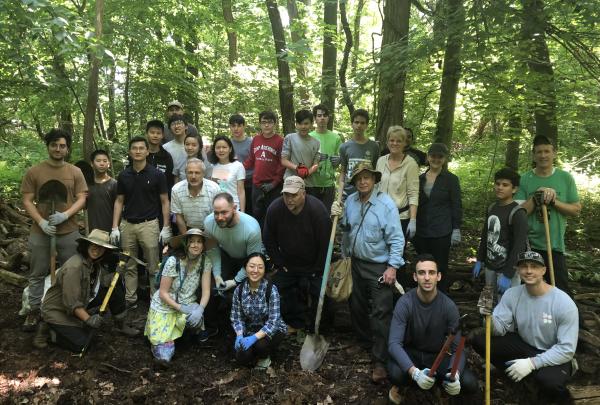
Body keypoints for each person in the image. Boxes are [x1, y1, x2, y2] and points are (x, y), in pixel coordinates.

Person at [473, 251, 579, 403]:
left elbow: (566, 349)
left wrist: (531, 363)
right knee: (480, 340)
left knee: (550, 383)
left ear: (543, 271)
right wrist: (487, 317)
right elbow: (499, 329)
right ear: (517, 270)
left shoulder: (563, 303)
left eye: (534, 267)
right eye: (524, 266)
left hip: (555, 354)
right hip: (526, 346)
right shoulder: (512, 294)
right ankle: (517, 372)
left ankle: (535, 374)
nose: (529, 271)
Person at [331, 162, 404, 383]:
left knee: (381, 312)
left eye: (367, 178)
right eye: (359, 178)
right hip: (354, 263)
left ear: (374, 180)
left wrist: (392, 266)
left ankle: (381, 359)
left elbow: (397, 238)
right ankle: (363, 342)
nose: (363, 181)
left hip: (379, 266)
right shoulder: (351, 202)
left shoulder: (386, 205)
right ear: (354, 182)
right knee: (356, 305)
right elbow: (344, 227)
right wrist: (336, 213)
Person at [21, 128, 88, 331]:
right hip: (41, 233)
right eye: (54, 145)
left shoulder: (75, 172)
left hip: (69, 231)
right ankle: (34, 312)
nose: (58, 149)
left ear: (67, 149)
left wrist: (65, 215)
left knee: (74, 272)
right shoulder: (35, 171)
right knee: (37, 273)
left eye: (62, 146)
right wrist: (41, 221)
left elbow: (83, 197)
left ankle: (72, 309)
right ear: (48, 146)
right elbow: (27, 199)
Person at [387, 254, 477, 404]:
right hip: (412, 354)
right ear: (415, 277)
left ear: (439, 276)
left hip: (438, 356)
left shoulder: (448, 306)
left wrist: (455, 374)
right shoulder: (405, 303)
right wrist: (414, 372)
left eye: (431, 272)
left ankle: (440, 385)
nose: (427, 277)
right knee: (396, 373)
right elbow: (393, 344)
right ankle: (409, 385)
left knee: (469, 383)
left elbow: (457, 349)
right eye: (422, 273)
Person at [35, 230, 138, 352]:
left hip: (82, 300)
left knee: (114, 285)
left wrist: (115, 275)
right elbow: (71, 303)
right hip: (59, 310)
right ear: (86, 245)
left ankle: (121, 324)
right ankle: (49, 332)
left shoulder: (93, 262)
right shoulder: (74, 267)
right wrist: (89, 319)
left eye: (102, 247)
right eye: (94, 245)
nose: (97, 249)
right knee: (84, 345)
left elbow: (97, 283)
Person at [263, 176, 331, 334]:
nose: (289, 199)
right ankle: (294, 323)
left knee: (321, 293)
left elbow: (325, 244)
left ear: (304, 194)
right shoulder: (275, 208)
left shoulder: (317, 211)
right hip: (288, 263)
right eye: (286, 195)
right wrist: (279, 263)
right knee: (277, 289)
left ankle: (319, 328)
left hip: (314, 263)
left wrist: (318, 269)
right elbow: (268, 238)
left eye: (294, 195)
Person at [515, 135, 581, 295]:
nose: (543, 155)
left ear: (554, 153)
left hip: (555, 245)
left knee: (561, 290)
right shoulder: (524, 179)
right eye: (539, 152)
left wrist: (554, 201)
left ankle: (573, 320)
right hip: (530, 245)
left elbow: (576, 210)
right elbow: (518, 213)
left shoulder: (565, 178)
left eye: (547, 151)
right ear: (533, 155)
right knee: (530, 290)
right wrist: (536, 197)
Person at [111, 136, 171, 306]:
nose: (138, 151)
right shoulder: (124, 175)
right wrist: (115, 227)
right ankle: (131, 299)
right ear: (130, 152)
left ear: (147, 151)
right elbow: (119, 201)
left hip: (149, 224)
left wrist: (166, 227)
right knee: (129, 265)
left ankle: (155, 299)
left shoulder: (157, 174)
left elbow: (165, 201)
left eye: (141, 148)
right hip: (127, 224)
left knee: (153, 266)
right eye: (134, 148)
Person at [144, 228, 212, 366]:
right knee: (165, 355)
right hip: (166, 305)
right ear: (185, 243)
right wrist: (180, 308)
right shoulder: (173, 261)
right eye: (192, 241)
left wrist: (201, 309)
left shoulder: (205, 261)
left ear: (203, 245)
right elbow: (163, 293)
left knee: (196, 319)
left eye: (199, 242)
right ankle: (162, 339)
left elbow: (206, 291)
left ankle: (188, 333)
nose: (195, 245)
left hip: (188, 302)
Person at [412, 143, 462, 292]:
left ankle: (440, 299)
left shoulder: (451, 179)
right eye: (433, 156)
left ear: (445, 159)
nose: (436, 159)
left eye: (440, 156)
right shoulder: (419, 179)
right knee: (422, 266)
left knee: (440, 267)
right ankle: (423, 297)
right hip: (421, 232)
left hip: (442, 231)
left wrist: (456, 228)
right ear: (428, 157)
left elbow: (456, 205)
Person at [473, 168, 528, 295]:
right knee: (489, 303)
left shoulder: (518, 213)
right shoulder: (492, 208)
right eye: (497, 184)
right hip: (490, 266)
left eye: (505, 185)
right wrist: (480, 259)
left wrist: (508, 274)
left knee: (507, 307)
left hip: (507, 270)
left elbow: (519, 246)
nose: (500, 187)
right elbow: (485, 235)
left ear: (514, 189)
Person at [231, 253, 287, 369]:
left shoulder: (271, 290)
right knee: (242, 356)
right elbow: (237, 317)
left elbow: (273, 321)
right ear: (245, 268)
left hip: (271, 330)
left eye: (260, 267)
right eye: (252, 266)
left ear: (265, 270)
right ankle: (253, 353)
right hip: (250, 328)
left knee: (260, 346)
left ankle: (265, 357)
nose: (255, 270)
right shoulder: (239, 290)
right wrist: (240, 335)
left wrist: (254, 338)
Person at [203, 193, 263, 289]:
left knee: (245, 290)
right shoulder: (209, 222)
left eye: (224, 212)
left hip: (247, 258)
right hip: (225, 255)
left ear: (234, 208)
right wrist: (217, 274)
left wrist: (235, 281)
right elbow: (213, 248)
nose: (219, 217)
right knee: (213, 288)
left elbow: (253, 260)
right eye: (216, 213)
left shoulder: (251, 228)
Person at [376, 126, 419, 244]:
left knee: (395, 254)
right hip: (380, 214)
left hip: (400, 217)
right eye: (392, 140)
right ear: (387, 141)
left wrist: (413, 220)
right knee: (378, 250)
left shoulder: (410, 164)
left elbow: (413, 193)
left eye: (399, 141)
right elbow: (376, 187)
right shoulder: (381, 161)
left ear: (405, 143)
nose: (395, 143)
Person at [243, 110, 285, 226]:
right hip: (257, 185)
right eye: (263, 122)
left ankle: (271, 242)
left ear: (275, 124)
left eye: (270, 122)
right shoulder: (256, 139)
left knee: (272, 215)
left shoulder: (280, 141)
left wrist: (274, 183)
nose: (266, 125)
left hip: (273, 186)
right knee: (257, 214)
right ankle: (258, 240)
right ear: (260, 124)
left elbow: (282, 165)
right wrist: (237, 168)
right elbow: (251, 159)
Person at [171, 158, 220, 234]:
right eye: (190, 172)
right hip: (186, 229)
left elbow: (216, 215)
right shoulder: (176, 189)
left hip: (210, 229)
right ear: (185, 173)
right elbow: (178, 216)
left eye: (197, 173)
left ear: (203, 174)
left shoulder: (214, 188)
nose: (193, 176)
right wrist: (187, 238)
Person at [308, 104, 342, 212]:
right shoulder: (309, 137)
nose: (322, 118)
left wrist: (339, 160)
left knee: (326, 217)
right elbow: (302, 161)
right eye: (319, 115)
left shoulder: (336, 138)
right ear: (315, 118)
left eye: (324, 115)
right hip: (311, 184)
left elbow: (339, 162)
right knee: (312, 216)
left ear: (328, 118)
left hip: (328, 185)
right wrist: (315, 159)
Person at [339, 109, 380, 197]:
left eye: (362, 123)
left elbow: (375, 171)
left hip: (368, 194)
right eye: (356, 122)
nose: (359, 125)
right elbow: (343, 172)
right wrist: (339, 196)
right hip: (348, 194)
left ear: (366, 125)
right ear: (352, 124)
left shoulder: (374, 146)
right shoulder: (344, 147)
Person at [281, 110, 320, 189]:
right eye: (300, 123)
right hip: (290, 182)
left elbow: (316, 164)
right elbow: (284, 160)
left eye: (306, 123)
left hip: (308, 184)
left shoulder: (316, 143)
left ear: (311, 124)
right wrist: (297, 168)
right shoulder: (290, 138)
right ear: (296, 124)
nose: (303, 127)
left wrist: (307, 172)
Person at [208, 135, 246, 212]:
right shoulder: (211, 167)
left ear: (230, 149)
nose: (221, 150)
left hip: (233, 208)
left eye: (224, 147)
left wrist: (242, 212)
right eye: (218, 147)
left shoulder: (238, 166)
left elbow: (241, 191)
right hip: (215, 209)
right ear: (214, 150)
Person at [229, 114, 254, 216]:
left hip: (249, 184)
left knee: (249, 212)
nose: (236, 129)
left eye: (239, 126)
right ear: (230, 127)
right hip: (233, 185)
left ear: (244, 126)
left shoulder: (252, 143)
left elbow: (256, 163)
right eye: (233, 126)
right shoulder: (228, 144)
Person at [87, 149, 117, 233]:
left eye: (105, 161)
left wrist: (115, 228)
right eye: (98, 161)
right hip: (92, 231)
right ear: (92, 164)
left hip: (111, 230)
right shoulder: (87, 184)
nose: (102, 163)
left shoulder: (114, 184)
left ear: (109, 164)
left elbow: (119, 207)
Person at [145, 120, 175, 192]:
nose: (155, 135)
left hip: (160, 199)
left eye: (158, 133)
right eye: (152, 132)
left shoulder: (166, 157)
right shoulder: (138, 153)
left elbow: (169, 181)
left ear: (162, 135)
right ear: (146, 134)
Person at [163, 114, 189, 180]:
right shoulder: (165, 148)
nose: (176, 126)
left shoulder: (194, 145)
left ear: (186, 126)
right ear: (169, 129)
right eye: (173, 124)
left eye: (179, 123)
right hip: (171, 182)